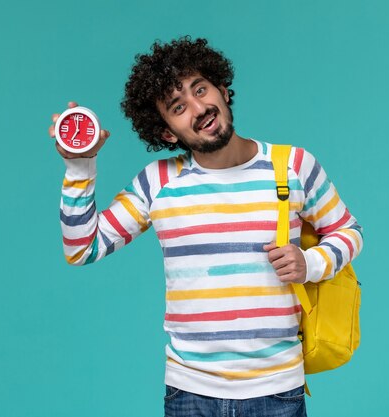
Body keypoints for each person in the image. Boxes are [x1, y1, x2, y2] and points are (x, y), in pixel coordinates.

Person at [49, 36, 363, 417]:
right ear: (167, 132)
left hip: (277, 391)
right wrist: (80, 165)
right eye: (178, 107)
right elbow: (83, 248)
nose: (199, 108)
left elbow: (348, 231)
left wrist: (310, 263)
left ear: (223, 89)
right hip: (188, 394)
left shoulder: (294, 165)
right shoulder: (158, 182)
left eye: (201, 89)